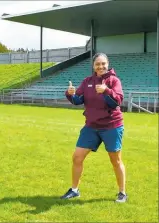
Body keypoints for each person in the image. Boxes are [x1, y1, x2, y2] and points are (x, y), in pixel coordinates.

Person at [61, 52, 127, 203]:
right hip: (91, 126)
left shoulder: (114, 80)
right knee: (77, 157)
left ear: (107, 64)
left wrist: (106, 91)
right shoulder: (87, 81)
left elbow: (117, 102)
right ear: (93, 66)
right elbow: (78, 100)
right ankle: (74, 190)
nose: (101, 66)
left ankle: (122, 192)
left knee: (115, 160)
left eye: (103, 63)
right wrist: (70, 94)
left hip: (111, 126)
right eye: (97, 64)